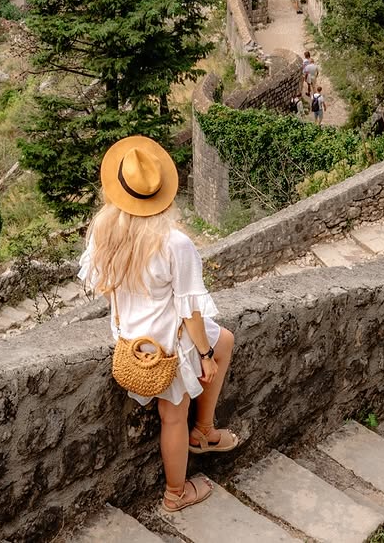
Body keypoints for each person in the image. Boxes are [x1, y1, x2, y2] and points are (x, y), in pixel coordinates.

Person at [79, 136, 238, 515]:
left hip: (131, 341)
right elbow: (189, 310)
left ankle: (204, 431)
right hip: (169, 345)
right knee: (174, 416)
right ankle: (176, 492)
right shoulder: (174, 243)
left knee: (226, 340)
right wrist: (205, 356)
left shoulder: (104, 231)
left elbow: (100, 285)